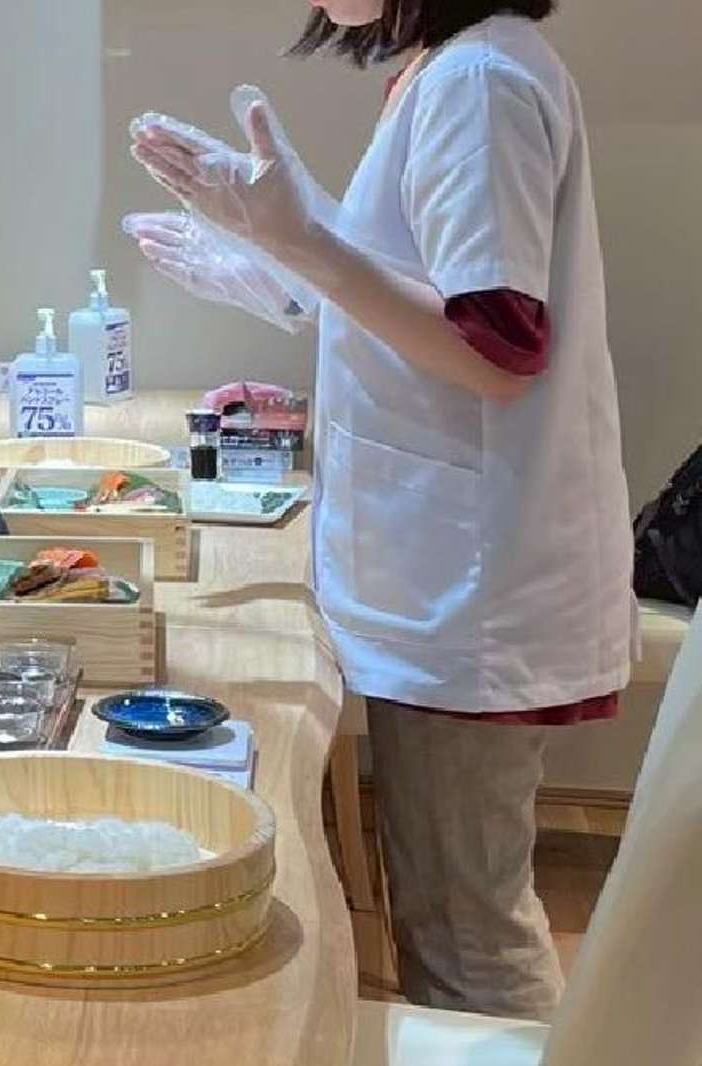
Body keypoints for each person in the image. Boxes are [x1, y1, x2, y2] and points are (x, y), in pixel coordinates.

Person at [124, 0, 631, 1020]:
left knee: (465, 930)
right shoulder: (446, 68)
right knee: (448, 913)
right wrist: (272, 266)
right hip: (448, 571)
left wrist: (301, 243)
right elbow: (413, 300)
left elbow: (493, 350)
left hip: (471, 586)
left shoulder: (479, 80)